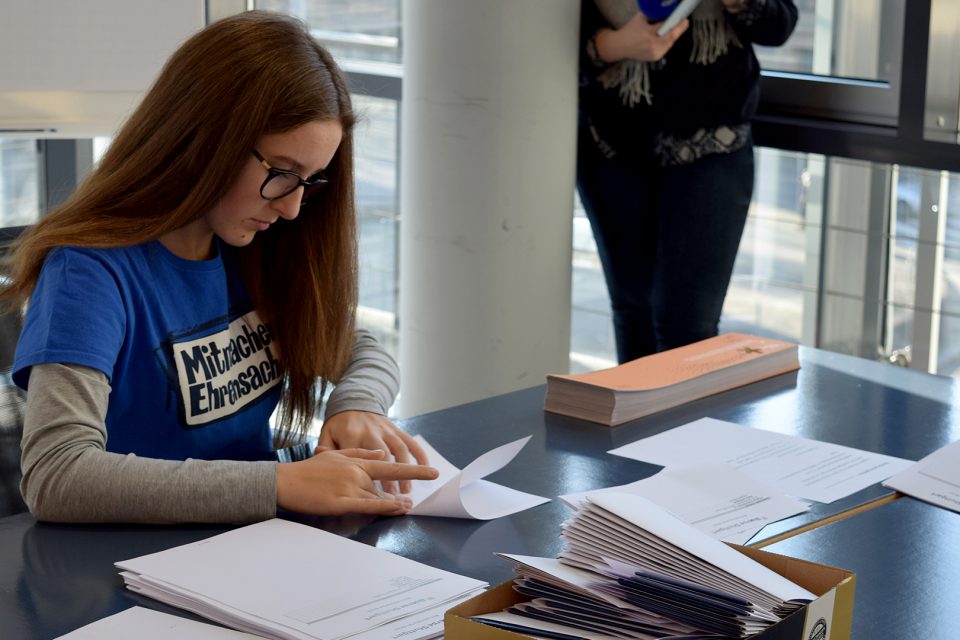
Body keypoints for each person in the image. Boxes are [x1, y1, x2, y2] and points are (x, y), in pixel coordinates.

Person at [0, 11, 438, 524]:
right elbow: (58, 477)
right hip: (126, 567)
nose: (293, 208)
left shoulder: (253, 246)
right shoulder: (89, 272)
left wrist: (357, 405)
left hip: (247, 546)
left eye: (311, 181)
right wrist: (279, 483)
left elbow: (362, 348)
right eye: (281, 173)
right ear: (203, 137)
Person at [578, 0, 798, 363]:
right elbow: (542, 37)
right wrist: (616, 44)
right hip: (611, 146)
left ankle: (687, 423)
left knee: (687, 326)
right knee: (635, 312)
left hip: (711, 146)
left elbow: (780, 24)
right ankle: (637, 421)